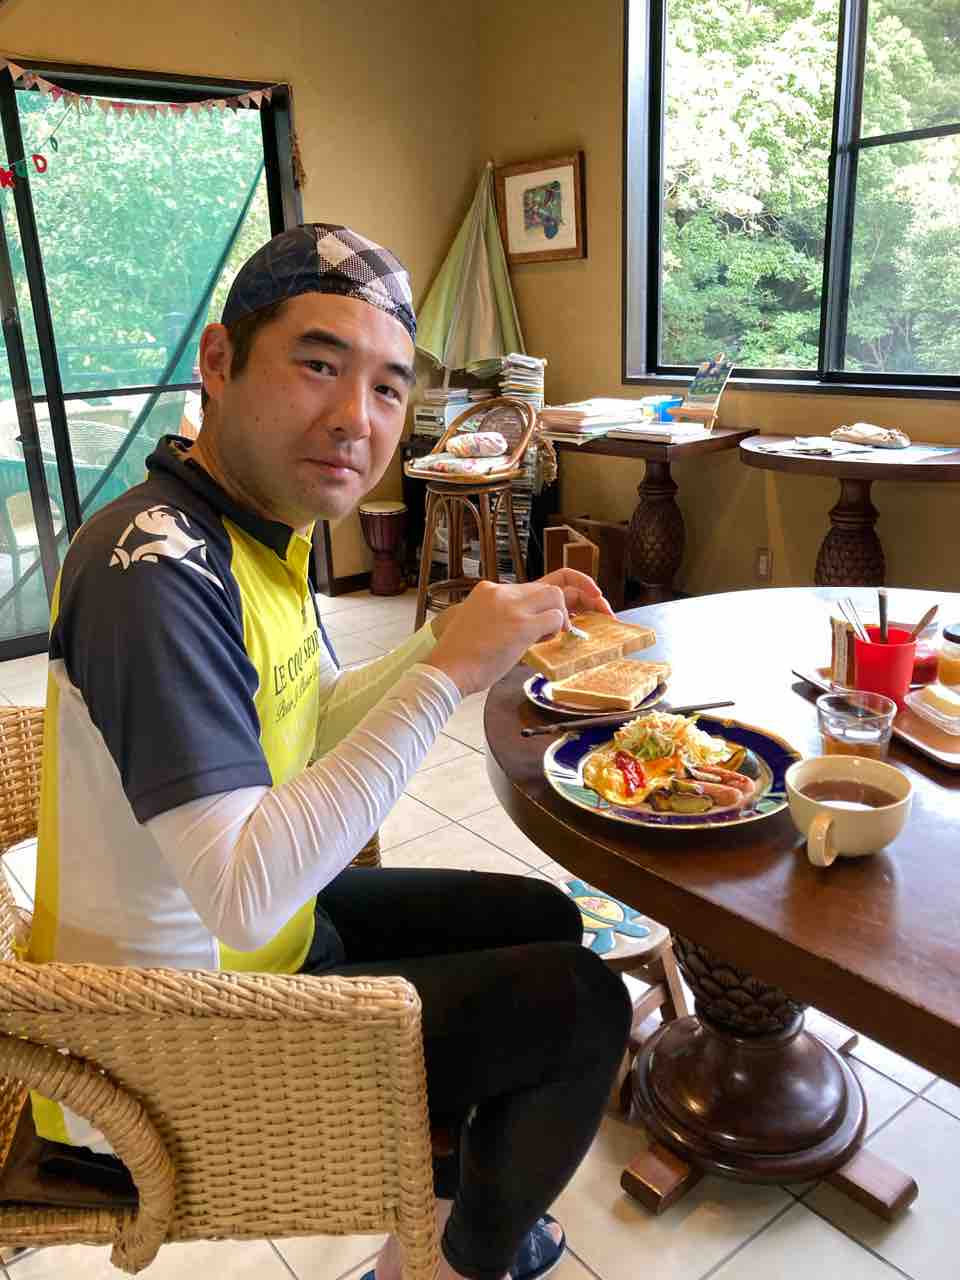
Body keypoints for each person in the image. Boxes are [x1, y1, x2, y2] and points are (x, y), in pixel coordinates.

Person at [30, 224, 632, 1280]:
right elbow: (246, 893)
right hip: (155, 1048)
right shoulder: (153, 571)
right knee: (584, 1010)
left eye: (389, 387)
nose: (358, 417)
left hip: (252, 953)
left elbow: (306, 722)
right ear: (219, 362)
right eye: (318, 364)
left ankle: (434, 1189)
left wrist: (452, 641)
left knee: (541, 917)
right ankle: (450, 1263)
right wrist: (446, 676)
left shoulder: (250, 523)